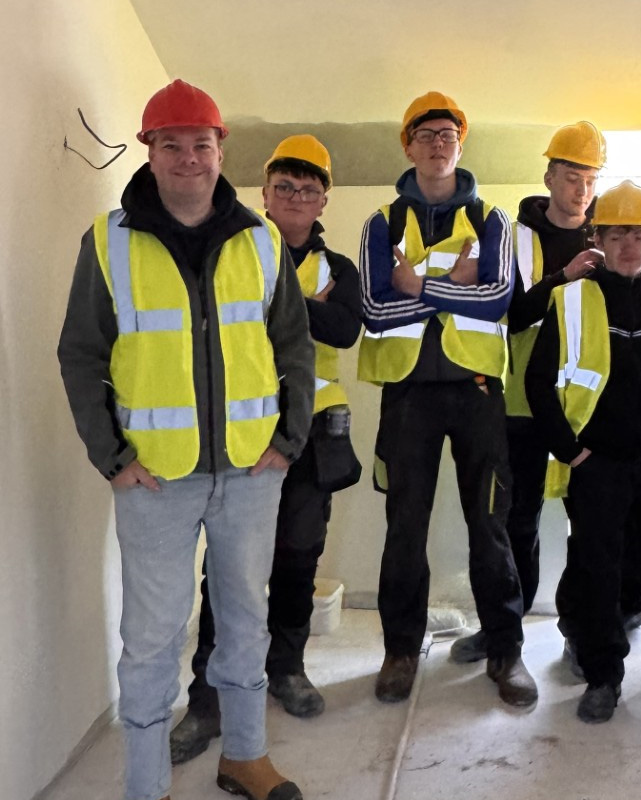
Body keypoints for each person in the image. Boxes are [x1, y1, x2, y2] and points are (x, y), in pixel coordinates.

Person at [58, 79, 312, 800]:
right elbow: (81, 353)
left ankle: (246, 757)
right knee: (153, 640)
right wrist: (113, 456)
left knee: (244, 619)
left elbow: (292, 345)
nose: (189, 158)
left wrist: (287, 441)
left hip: (250, 470)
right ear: (150, 152)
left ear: (220, 148)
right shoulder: (109, 242)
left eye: (201, 144)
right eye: (172, 145)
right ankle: (146, 785)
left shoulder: (260, 240)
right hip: (155, 479)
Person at [170, 134, 363, 764]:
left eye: (309, 190)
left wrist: (290, 306)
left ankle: (286, 669)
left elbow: (345, 327)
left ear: (324, 199)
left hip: (311, 432)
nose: (297, 199)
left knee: (299, 557)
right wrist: (307, 308)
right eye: (286, 187)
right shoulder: (236, 252)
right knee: (227, 568)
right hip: (243, 430)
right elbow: (227, 319)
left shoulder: (339, 269)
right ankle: (208, 696)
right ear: (265, 192)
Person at [358, 91, 536, 708]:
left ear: (461, 145)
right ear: (407, 145)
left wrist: (418, 284)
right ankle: (400, 651)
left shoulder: (492, 220)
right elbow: (375, 311)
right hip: (408, 394)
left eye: (448, 135)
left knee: (490, 525)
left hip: (476, 392)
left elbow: (498, 301)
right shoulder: (381, 223)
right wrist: (452, 285)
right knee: (403, 527)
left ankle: (506, 652)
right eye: (426, 133)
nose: (438, 143)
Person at [525, 181, 641, 724]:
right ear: (600, 238)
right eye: (617, 233)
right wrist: (572, 451)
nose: (630, 244)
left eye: (639, 232)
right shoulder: (570, 299)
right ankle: (604, 677)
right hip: (598, 464)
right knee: (599, 573)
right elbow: (538, 384)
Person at [445, 121, 606, 666]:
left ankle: (578, 634)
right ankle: (502, 631)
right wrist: (563, 277)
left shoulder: (606, 237)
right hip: (518, 403)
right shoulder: (514, 236)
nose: (579, 189)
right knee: (517, 521)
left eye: (588, 178)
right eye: (569, 176)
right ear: (548, 176)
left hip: (583, 408)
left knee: (587, 526)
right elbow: (509, 314)